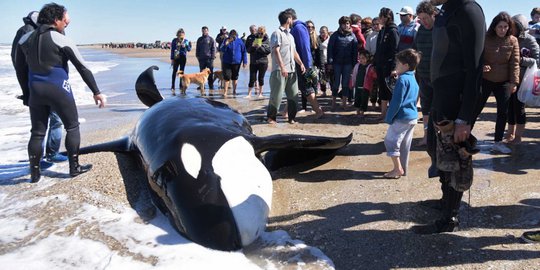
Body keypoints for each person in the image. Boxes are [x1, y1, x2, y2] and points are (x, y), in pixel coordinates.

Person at [413, 0, 485, 234]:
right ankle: (445, 202)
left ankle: (450, 218)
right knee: (437, 152)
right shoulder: (446, 12)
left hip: (457, 100)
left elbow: (475, 69)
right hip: (440, 97)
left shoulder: (468, 10)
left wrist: (465, 119)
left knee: (456, 159)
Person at [14, 3, 107, 183]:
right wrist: (96, 91)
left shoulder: (24, 39)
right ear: (56, 20)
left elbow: (20, 70)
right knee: (72, 126)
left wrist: (26, 93)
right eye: (65, 19)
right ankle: (74, 167)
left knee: (37, 132)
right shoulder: (60, 38)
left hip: (35, 89)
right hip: (58, 88)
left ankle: (34, 174)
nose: (66, 22)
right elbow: (83, 67)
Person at [11, 11, 67, 164]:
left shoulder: (27, 32)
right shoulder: (30, 32)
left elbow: (18, 64)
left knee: (40, 125)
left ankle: (37, 162)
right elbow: (21, 64)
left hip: (37, 84)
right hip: (44, 83)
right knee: (51, 122)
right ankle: (49, 155)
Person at [473, 12, 520, 154]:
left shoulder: (513, 40)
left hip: (504, 82)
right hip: (485, 79)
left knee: (503, 113)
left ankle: (498, 142)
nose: (503, 29)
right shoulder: (485, 38)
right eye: (500, 26)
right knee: (476, 108)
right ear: (494, 27)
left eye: (506, 27)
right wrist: (481, 67)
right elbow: (476, 56)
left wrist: (514, 82)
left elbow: (515, 63)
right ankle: (466, 137)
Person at [383, 48, 420, 179]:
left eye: (398, 64)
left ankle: (397, 169)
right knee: (405, 144)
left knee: (390, 141)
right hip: (412, 117)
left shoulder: (402, 80)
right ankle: (403, 168)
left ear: (405, 65)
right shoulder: (413, 78)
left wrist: (389, 117)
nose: (396, 66)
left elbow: (396, 102)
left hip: (402, 117)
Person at [266, 10, 305, 124]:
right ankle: (271, 118)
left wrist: (301, 63)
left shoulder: (291, 36)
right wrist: (282, 67)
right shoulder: (276, 33)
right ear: (288, 20)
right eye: (292, 19)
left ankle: (292, 118)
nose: (292, 21)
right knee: (276, 95)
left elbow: (294, 52)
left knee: (293, 95)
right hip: (279, 70)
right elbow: (276, 51)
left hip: (292, 70)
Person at [505, 14, 540, 144]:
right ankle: (509, 133)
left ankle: (518, 136)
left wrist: (520, 60)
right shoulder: (508, 38)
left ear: (521, 27)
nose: (511, 29)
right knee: (509, 108)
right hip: (509, 79)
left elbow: (537, 61)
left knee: (519, 108)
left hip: (524, 80)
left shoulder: (530, 40)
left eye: (513, 26)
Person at [286, 8, 324, 118]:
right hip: (301, 64)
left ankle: (318, 111)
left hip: (304, 65)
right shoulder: (297, 28)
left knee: (307, 88)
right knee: (300, 88)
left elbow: (304, 48)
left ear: (290, 18)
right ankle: (286, 111)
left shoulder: (298, 28)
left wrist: (307, 66)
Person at [413, 1, 437, 146]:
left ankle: (439, 137)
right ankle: (427, 136)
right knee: (426, 108)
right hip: (423, 75)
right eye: (421, 19)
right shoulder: (421, 30)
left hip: (439, 77)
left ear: (433, 14)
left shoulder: (441, 28)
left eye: (426, 18)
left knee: (440, 108)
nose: (424, 22)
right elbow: (416, 50)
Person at [328, 16, 358, 111]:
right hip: (337, 63)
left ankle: (344, 103)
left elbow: (355, 51)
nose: (346, 25)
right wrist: (330, 62)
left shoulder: (353, 36)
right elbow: (330, 50)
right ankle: (333, 103)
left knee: (345, 84)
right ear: (340, 24)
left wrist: (354, 65)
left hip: (348, 64)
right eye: (344, 23)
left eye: (348, 23)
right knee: (336, 83)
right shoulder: (335, 35)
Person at [374, 7, 399, 121]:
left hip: (389, 66)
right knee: (382, 89)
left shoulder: (393, 31)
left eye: (380, 16)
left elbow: (396, 51)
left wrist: (394, 67)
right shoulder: (382, 30)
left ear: (385, 17)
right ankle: (383, 113)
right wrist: (375, 63)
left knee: (390, 91)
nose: (379, 19)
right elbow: (378, 49)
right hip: (380, 65)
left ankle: (392, 114)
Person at [219, 29, 248, 96]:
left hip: (237, 62)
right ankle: (225, 92)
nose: (233, 37)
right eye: (231, 36)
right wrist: (226, 43)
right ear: (229, 35)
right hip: (227, 62)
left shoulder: (240, 41)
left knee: (235, 77)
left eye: (234, 36)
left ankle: (234, 91)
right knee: (227, 77)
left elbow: (244, 52)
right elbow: (221, 49)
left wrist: (245, 61)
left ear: (236, 35)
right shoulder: (226, 40)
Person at [245, 26, 271, 98]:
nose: (260, 34)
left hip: (263, 62)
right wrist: (253, 46)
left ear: (264, 32)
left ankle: (260, 93)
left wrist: (260, 47)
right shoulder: (253, 38)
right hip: (254, 61)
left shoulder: (266, 39)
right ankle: (249, 94)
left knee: (261, 78)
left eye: (261, 33)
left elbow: (268, 51)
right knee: (252, 78)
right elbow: (248, 50)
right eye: (258, 33)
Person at [351, 50, 377, 118]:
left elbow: (374, 76)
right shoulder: (357, 66)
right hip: (358, 85)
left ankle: (362, 113)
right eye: (360, 58)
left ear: (367, 58)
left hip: (365, 86)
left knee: (364, 99)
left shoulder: (370, 67)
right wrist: (353, 83)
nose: (361, 60)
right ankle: (357, 112)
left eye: (363, 58)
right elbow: (354, 75)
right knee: (357, 98)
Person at [365, 17, 382, 110]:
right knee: (373, 84)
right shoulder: (370, 36)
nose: (376, 26)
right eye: (374, 24)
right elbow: (367, 50)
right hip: (373, 61)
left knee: (381, 84)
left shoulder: (384, 34)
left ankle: (381, 103)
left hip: (382, 61)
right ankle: (373, 103)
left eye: (377, 24)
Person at [170, 28, 192, 95]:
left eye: (182, 35)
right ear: (177, 35)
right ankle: (173, 85)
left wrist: (185, 46)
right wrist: (172, 59)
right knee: (174, 71)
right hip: (176, 57)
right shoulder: (174, 40)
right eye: (179, 35)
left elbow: (189, 49)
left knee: (181, 71)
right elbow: (172, 49)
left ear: (184, 35)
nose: (180, 36)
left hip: (183, 57)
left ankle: (180, 85)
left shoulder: (186, 41)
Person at [195, 26, 216, 92]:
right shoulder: (199, 39)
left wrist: (212, 57)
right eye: (203, 31)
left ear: (208, 31)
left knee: (210, 73)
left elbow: (213, 48)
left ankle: (211, 85)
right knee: (201, 73)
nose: (204, 32)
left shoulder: (211, 39)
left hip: (209, 58)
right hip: (201, 58)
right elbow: (197, 48)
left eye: (205, 31)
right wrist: (197, 55)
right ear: (202, 31)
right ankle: (201, 85)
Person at [317, 26, 331, 97]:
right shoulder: (317, 39)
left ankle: (333, 91)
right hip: (321, 60)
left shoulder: (330, 39)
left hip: (329, 60)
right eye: (321, 32)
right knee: (322, 76)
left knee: (331, 76)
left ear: (327, 32)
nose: (323, 34)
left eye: (324, 32)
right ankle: (324, 91)